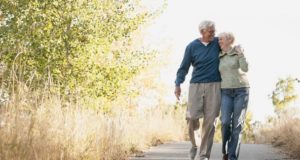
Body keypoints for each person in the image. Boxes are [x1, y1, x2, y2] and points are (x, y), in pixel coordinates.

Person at [174, 20, 221, 160]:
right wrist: (178, 84)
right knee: (192, 117)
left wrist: (238, 48)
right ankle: (195, 145)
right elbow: (184, 67)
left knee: (210, 121)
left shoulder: (218, 42)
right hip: (196, 85)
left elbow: (230, 43)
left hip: (215, 85)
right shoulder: (191, 47)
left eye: (214, 31)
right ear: (202, 32)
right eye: (210, 31)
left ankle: (204, 155)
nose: (214, 33)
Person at [218, 32, 250, 160]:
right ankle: (225, 151)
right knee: (225, 122)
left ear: (229, 40)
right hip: (225, 91)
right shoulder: (219, 55)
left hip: (241, 91)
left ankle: (232, 157)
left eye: (221, 39)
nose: (218, 41)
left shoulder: (238, 52)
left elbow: (245, 68)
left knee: (237, 124)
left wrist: (241, 53)